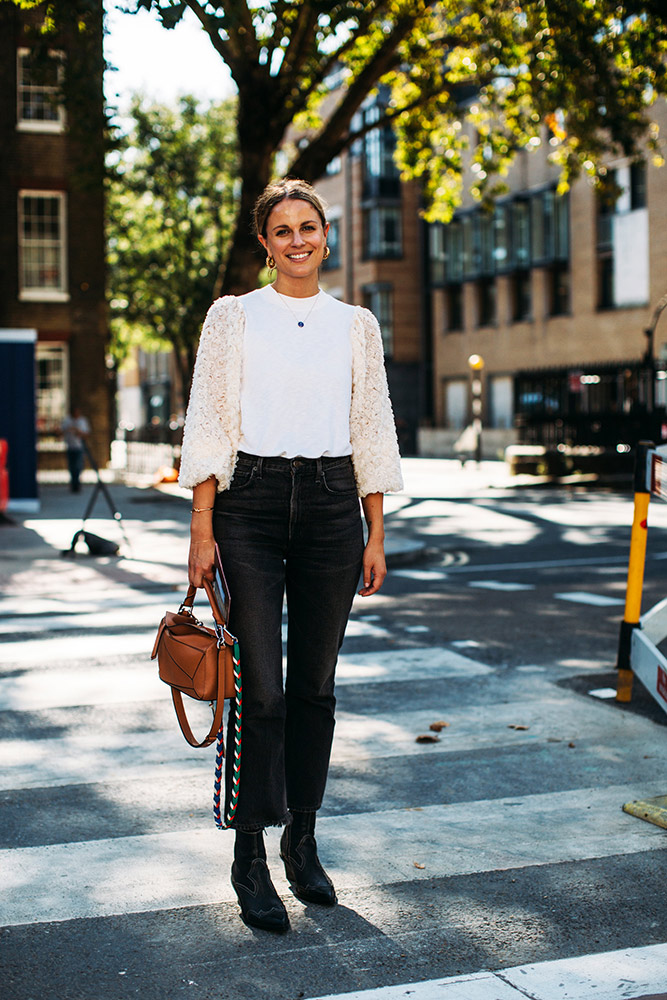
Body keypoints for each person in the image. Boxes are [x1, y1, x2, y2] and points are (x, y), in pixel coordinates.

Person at [178, 178, 403, 933]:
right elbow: (208, 420)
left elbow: (370, 426)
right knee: (260, 691)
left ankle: (301, 841)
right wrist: (201, 527)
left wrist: (375, 530)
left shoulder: (356, 325)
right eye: (282, 230)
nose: (298, 239)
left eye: (309, 226)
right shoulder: (233, 317)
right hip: (249, 505)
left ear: (326, 235)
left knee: (314, 685)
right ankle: (249, 851)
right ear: (265, 243)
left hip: (336, 506)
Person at [61, 407, 90, 493]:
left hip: (79, 447)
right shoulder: (67, 421)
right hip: (70, 446)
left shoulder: (82, 421)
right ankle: (73, 484)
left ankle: (77, 484)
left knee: (78, 466)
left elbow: (87, 433)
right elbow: (60, 431)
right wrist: (68, 430)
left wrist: (78, 431)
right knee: (72, 467)